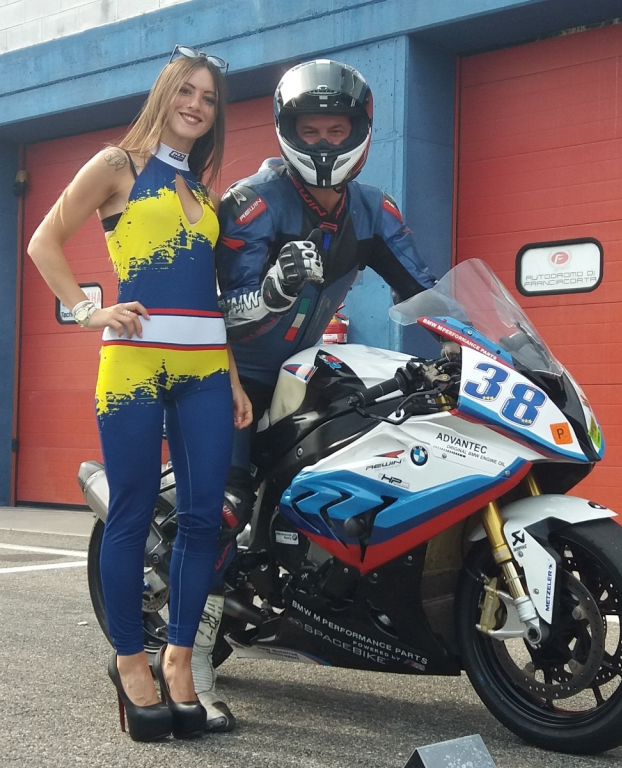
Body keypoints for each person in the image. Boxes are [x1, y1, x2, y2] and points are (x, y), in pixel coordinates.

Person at [196, 58, 436, 728]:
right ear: (288, 131)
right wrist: (272, 290)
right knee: (224, 508)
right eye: (311, 130)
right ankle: (192, 663)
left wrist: (477, 349)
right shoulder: (252, 202)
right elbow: (219, 309)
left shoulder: (374, 210)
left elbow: (424, 293)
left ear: (359, 130)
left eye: (337, 129)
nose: (325, 142)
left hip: (306, 366)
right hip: (232, 371)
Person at [27, 45, 252, 742]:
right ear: (164, 94)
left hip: (205, 370)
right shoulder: (116, 165)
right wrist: (86, 310)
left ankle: (180, 660)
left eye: (208, 98)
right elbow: (43, 241)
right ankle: (130, 661)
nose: (196, 105)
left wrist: (232, 376)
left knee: (202, 518)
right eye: (186, 91)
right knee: (130, 512)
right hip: (133, 366)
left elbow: (209, 292)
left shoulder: (205, 195)